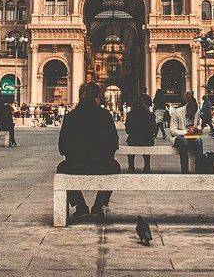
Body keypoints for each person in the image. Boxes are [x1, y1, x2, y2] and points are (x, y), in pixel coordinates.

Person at [58, 81, 121, 221]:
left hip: (75, 166)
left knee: (62, 168)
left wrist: (73, 156)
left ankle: (80, 207)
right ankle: (98, 207)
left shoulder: (70, 117)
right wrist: (104, 156)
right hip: (102, 166)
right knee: (115, 166)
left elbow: (62, 146)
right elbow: (114, 143)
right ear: (97, 97)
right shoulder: (105, 116)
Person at [125, 93, 157, 173]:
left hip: (133, 140)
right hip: (147, 140)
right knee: (147, 142)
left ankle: (131, 167)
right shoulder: (150, 115)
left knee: (131, 144)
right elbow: (154, 129)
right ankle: (147, 166)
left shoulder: (129, 115)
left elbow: (127, 131)